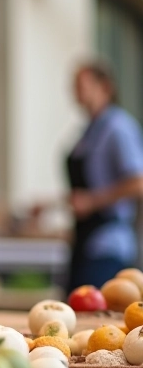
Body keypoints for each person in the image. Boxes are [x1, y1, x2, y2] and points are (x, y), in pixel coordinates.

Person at [63, 61, 143, 290]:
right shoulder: (89, 131)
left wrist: (92, 201)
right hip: (84, 240)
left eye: (82, 84)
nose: (76, 91)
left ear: (104, 87)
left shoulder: (119, 127)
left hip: (108, 244)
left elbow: (138, 182)